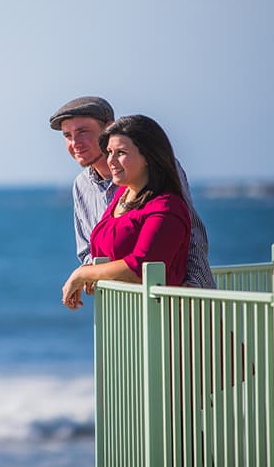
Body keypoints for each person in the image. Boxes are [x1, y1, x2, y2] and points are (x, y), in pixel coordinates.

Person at [49, 96, 215, 290]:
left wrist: (195, 287)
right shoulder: (81, 185)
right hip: (121, 308)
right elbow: (88, 251)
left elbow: (192, 236)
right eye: (67, 136)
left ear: (109, 127)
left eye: (82, 132)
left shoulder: (159, 178)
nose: (75, 143)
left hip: (172, 300)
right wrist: (91, 273)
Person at [61, 114, 192, 308]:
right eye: (109, 151)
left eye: (121, 153)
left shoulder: (166, 206)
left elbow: (139, 268)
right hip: (129, 321)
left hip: (170, 324)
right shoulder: (121, 196)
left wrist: (82, 274)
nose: (111, 160)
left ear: (148, 156)